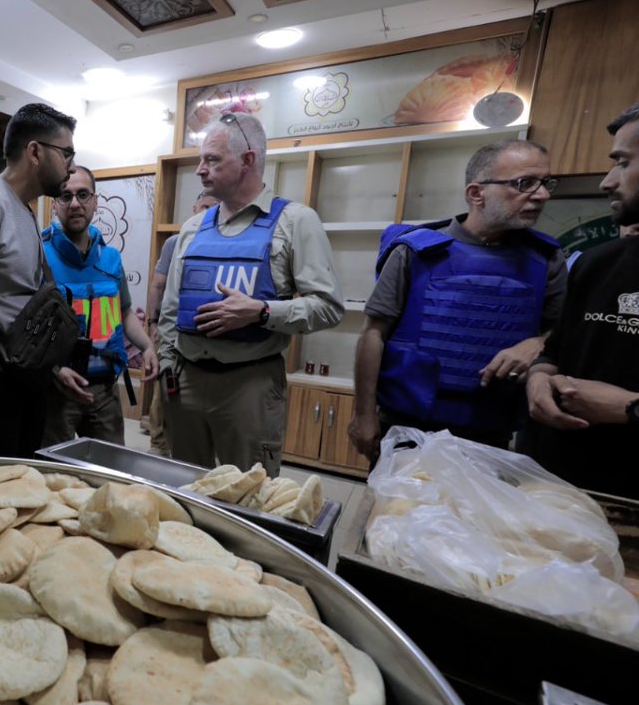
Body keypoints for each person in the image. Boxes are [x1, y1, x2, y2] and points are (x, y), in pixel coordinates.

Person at [347, 139, 567, 461]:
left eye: (546, 183)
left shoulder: (546, 258)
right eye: (524, 183)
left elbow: (565, 334)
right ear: (476, 194)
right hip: (408, 426)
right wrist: (363, 414)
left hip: (492, 431)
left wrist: (538, 343)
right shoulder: (415, 251)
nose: (542, 194)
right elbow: (373, 333)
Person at [157, 113, 344, 475]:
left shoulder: (296, 221)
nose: (199, 169)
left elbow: (328, 306)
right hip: (185, 382)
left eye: (212, 159)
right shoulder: (193, 227)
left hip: (249, 387)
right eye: (201, 159)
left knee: (249, 496)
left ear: (247, 161)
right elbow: (171, 307)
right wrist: (168, 366)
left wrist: (261, 312)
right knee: (183, 486)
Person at [525, 104, 639, 496]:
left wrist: (630, 408)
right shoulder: (596, 262)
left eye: (622, 162)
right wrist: (537, 381)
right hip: (555, 489)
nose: (607, 181)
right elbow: (554, 351)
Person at [0, 102, 78, 457]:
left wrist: (52, 368)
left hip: (20, 376)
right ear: (35, 151)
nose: (70, 165)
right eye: (66, 152)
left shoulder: (23, 209)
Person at [42, 166, 158, 445]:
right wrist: (53, 370)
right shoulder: (39, 254)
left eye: (83, 195)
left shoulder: (111, 258)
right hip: (56, 389)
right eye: (65, 196)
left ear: (95, 201)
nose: (75, 204)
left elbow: (124, 312)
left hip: (105, 389)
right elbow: (25, 325)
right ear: (55, 204)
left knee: (111, 473)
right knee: (52, 474)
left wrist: (147, 346)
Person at [144, 191, 219, 455]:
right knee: (164, 390)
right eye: (204, 207)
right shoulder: (175, 242)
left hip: (206, 337)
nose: (207, 213)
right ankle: (158, 443)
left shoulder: (221, 243)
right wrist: (153, 323)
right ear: (194, 207)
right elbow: (158, 285)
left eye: (214, 208)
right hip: (171, 332)